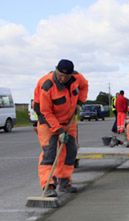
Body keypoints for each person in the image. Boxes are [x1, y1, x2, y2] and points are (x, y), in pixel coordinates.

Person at [33, 59, 88, 197]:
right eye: (60, 75)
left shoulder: (77, 78)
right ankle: (48, 185)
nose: (62, 78)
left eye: (66, 76)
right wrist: (58, 130)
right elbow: (46, 112)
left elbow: (85, 85)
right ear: (56, 70)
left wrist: (80, 102)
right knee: (49, 153)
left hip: (68, 121)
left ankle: (64, 181)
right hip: (47, 122)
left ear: (71, 75)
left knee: (71, 151)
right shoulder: (47, 85)